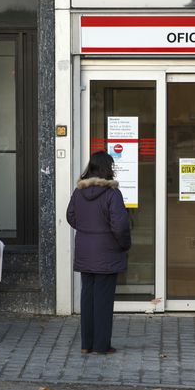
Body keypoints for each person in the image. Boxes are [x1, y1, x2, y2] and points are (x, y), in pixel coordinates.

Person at [66, 151, 131, 355]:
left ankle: (87, 344)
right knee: (103, 300)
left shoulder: (79, 192)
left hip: (85, 250)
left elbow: (70, 216)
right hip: (107, 252)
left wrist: (87, 230)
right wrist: (124, 244)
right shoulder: (112, 194)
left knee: (88, 298)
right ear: (107, 168)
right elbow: (120, 226)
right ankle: (102, 345)